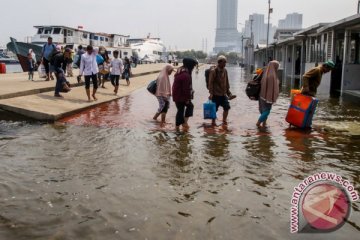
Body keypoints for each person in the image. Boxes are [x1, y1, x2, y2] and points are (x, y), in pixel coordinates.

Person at [208, 55, 236, 126]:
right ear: (219, 62)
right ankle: (213, 122)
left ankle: (224, 121)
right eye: (224, 63)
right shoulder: (214, 71)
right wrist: (211, 94)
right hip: (215, 94)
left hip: (223, 94)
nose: (225, 64)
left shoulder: (225, 70)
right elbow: (210, 83)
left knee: (227, 107)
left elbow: (226, 82)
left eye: (225, 63)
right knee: (214, 109)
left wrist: (229, 93)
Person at [172, 58, 198, 131]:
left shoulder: (180, 70)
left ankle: (181, 125)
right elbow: (185, 89)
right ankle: (179, 126)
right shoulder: (185, 75)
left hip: (177, 94)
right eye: (193, 66)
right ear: (190, 66)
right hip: (180, 96)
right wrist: (187, 99)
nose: (193, 68)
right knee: (183, 109)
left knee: (181, 110)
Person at [256, 60, 280, 128]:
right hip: (268, 97)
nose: (277, 68)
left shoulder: (264, 73)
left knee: (263, 110)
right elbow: (274, 88)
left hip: (261, 95)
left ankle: (264, 124)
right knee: (267, 111)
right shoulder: (272, 75)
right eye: (277, 67)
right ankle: (258, 123)